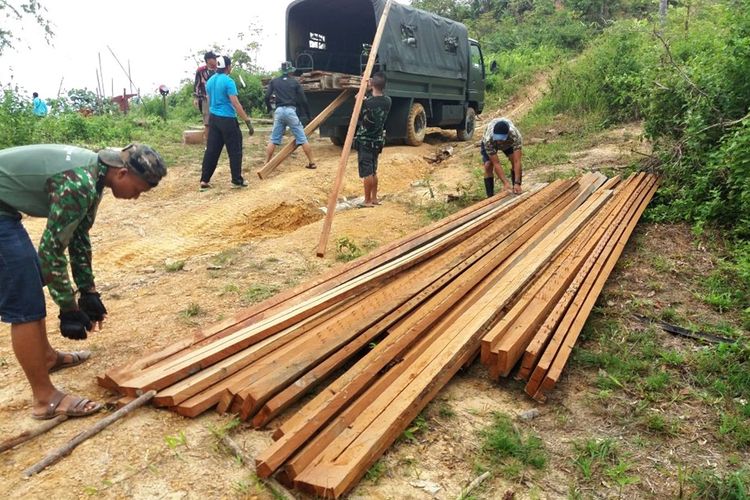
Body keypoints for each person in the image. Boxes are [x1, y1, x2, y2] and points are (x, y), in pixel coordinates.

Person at [0, 143, 167, 419]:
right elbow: (51, 252)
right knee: (25, 301)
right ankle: (45, 399)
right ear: (123, 174)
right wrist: (68, 309)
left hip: (4, 210)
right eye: (138, 191)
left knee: (31, 277)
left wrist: (87, 291)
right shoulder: (81, 182)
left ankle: (47, 357)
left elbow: (78, 236)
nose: (136, 198)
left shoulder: (97, 175)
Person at [200, 55, 254, 191]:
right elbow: (235, 103)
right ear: (228, 67)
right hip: (228, 120)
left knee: (212, 150)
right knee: (235, 150)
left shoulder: (210, 81)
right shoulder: (228, 81)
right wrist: (247, 120)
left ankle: (204, 180)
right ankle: (236, 179)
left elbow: (209, 98)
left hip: (214, 119)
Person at [264, 61, 316, 170]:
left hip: (278, 111)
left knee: (273, 139)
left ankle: (266, 164)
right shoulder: (295, 82)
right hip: (290, 111)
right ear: (290, 72)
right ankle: (312, 162)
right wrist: (308, 115)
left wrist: (269, 108)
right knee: (302, 138)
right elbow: (303, 100)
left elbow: (267, 96)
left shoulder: (274, 81)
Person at [354, 72, 391, 207]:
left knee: (367, 172)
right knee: (374, 170)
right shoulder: (388, 101)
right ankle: (374, 198)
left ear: (372, 84)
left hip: (365, 140)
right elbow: (373, 101)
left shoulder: (367, 103)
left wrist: (360, 97)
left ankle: (367, 200)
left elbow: (358, 111)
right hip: (377, 140)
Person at [480, 117, 523, 197]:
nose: (499, 142)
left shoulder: (515, 135)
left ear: (507, 134)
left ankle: (516, 188)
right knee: (488, 165)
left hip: (508, 143)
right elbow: (496, 163)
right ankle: (490, 196)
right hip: (492, 143)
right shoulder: (488, 139)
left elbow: (517, 161)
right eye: (498, 139)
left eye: (501, 139)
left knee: (513, 159)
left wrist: (517, 182)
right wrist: (505, 183)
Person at [194, 51, 218, 142]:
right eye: (214, 58)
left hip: (217, 97)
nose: (216, 60)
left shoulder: (218, 70)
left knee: (218, 120)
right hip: (205, 98)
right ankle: (208, 142)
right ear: (208, 60)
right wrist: (196, 98)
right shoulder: (201, 71)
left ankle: (217, 140)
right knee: (207, 121)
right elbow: (197, 84)